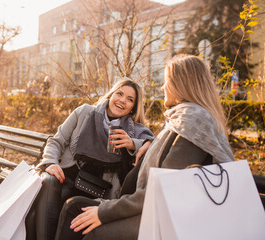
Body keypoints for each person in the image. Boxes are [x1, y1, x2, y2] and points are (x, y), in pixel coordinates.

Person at [54, 55, 235, 240]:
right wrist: (148, 144)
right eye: (119, 94)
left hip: (157, 214)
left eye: (167, 82)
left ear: (181, 86)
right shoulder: (184, 119)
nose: (163, 87)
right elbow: (162, 152)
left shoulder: (193, 121)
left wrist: (104, 212)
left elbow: (161, 190)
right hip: (146, 205)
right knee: (73, 206)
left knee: (84, 223)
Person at [26, 78, 155, 240]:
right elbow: (56, 141)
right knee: (48, 184)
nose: (122, 100)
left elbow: (155, 142)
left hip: (100, 190)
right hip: (68, 176)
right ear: (111, 95)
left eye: (130, 100)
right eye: (119, 93)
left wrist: (132, 144)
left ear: (133, 108)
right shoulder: (85, 112)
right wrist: (50, 162)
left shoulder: (134, 130)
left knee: (67, 206)